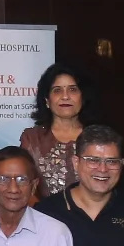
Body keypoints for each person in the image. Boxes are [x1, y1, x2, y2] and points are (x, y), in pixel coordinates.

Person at [20, 64, 89, 198]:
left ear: (83, 97)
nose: (65, 96)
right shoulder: (32, 139)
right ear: (47, 100)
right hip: (42, 210)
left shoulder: (97, 138)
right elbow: (25, 187)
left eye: (73, 89)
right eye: (57, 90)